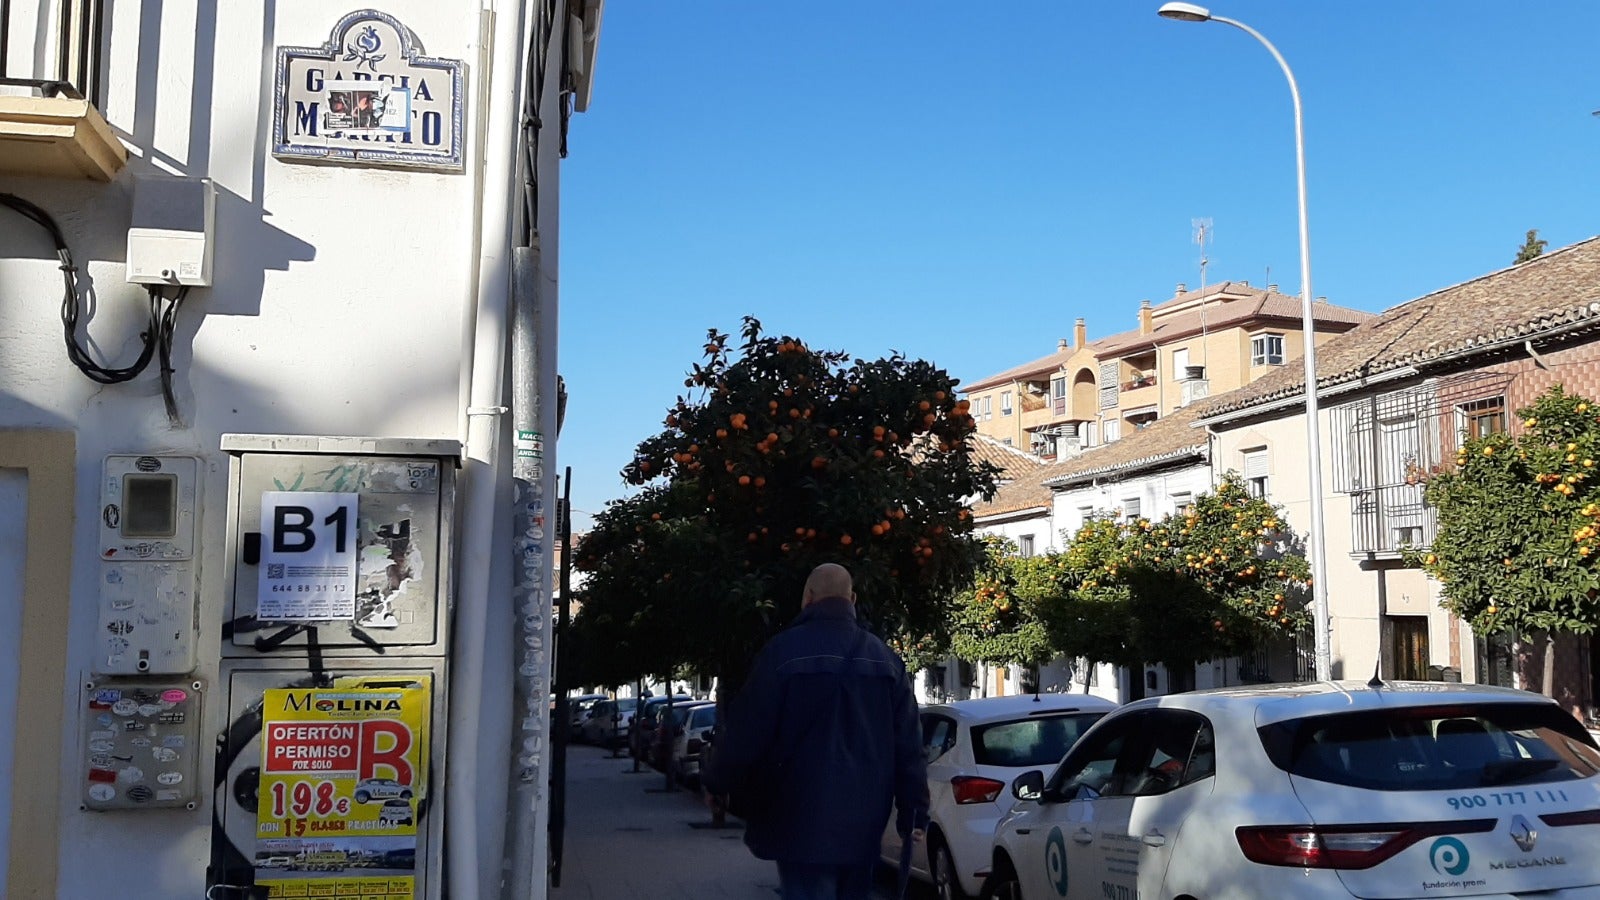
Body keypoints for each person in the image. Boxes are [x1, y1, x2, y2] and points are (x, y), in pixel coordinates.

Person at [703, 563, 928, 900]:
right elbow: (909, 747)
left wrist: (717, 783)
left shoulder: (780, 654)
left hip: (797, 818)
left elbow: (746, 733)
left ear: (807, 598)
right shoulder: (885, 660)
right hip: (864, 824)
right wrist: (914, 814)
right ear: (852, 598)